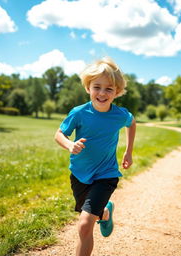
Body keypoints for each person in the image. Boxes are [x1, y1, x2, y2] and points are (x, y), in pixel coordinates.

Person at [54, 57, 136, 256]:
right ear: (88, 87)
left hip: (106, 175)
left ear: (116, 92)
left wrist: (128, 151)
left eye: (109, 89)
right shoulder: (79, 113)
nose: (102, 93)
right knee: (90, 214)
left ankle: (101, 212)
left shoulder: (120, 114)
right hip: (79, 174)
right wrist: (70, 145)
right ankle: (105, 212)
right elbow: (59, 134)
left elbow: (132, 123)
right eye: (97, 87)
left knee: (84, 225)